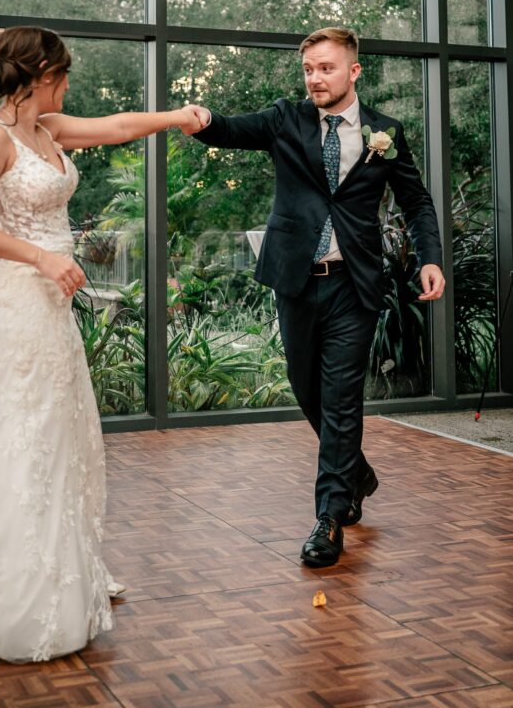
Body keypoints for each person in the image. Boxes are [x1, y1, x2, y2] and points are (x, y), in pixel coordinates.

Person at [0, 26, 203, 661]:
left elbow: (118, 126)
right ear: (39, 74)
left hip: (52, 299)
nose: (68, 86)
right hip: (17, 299)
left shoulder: (47, 129)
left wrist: (177, 117)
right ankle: (5, 587)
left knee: (57, 427)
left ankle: (60, 567)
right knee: (23, 428)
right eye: (63, 75)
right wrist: (39, 258)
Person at [185, 28, 445, 567]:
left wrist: (430, 258)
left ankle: (329, 518)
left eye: (325, 68)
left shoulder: (385, 133)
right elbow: (230, 130)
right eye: (308, 69)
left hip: (355, 283)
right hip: (296, 279)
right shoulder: (286, 118)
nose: (314, 78)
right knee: (307, 388)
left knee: (342, 395)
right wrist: (204, 120)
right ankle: (357, 473)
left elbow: (417, 202)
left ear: (354, 71)